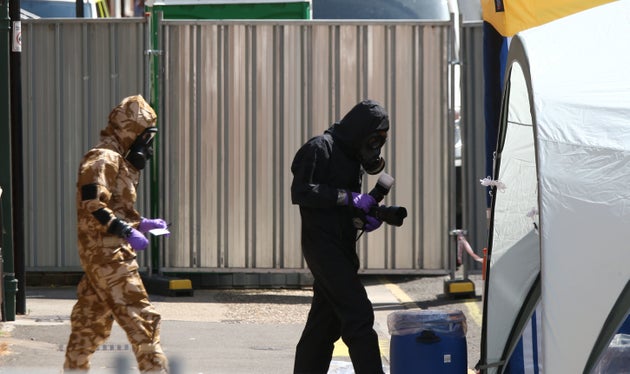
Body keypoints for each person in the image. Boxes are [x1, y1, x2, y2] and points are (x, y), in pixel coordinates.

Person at [64, 95, 169, 373]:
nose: (147, 145)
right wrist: (125, 231)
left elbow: (114, 208)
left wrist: (141, 223)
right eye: (145, 136)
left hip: (101, 257)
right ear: (130, 130)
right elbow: (93, 205)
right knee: (143, 323)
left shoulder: (116, 159)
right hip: (109, 258)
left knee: (88, 325)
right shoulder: (103, 158)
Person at [291, 99, 390, 374]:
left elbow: (345, 208)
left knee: (324, 325)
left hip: (342, 247)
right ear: (360, 131)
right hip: (322, 247)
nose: (375, 147)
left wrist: (370, 215)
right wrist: (349, 198)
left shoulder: (352, 157)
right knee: (358, 314)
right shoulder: (319, 148)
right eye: (374, 139)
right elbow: (302, 191)